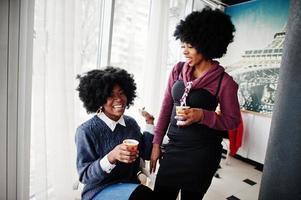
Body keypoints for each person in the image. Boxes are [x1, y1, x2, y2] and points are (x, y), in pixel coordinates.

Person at [150, 7, 241, 200]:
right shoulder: (177, 70)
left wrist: (203, 115)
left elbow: (232, 121)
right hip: (174, 149)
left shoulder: (224, 82)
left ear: (206, 44)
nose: (184, 51)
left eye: (189, 46)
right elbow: (166, 108)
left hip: (203, 155)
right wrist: (156, 143)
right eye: (183, 45)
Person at [75, 67, 155, 200]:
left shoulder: (130, 124)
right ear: (99, 99)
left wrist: (150, 123)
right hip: (99, 190)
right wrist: (111, 157)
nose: (118, 99)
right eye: (111, 95)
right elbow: (84, 175)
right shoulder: (86, 131)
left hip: (130, 187)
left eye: (121, 93)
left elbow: (145, 152)